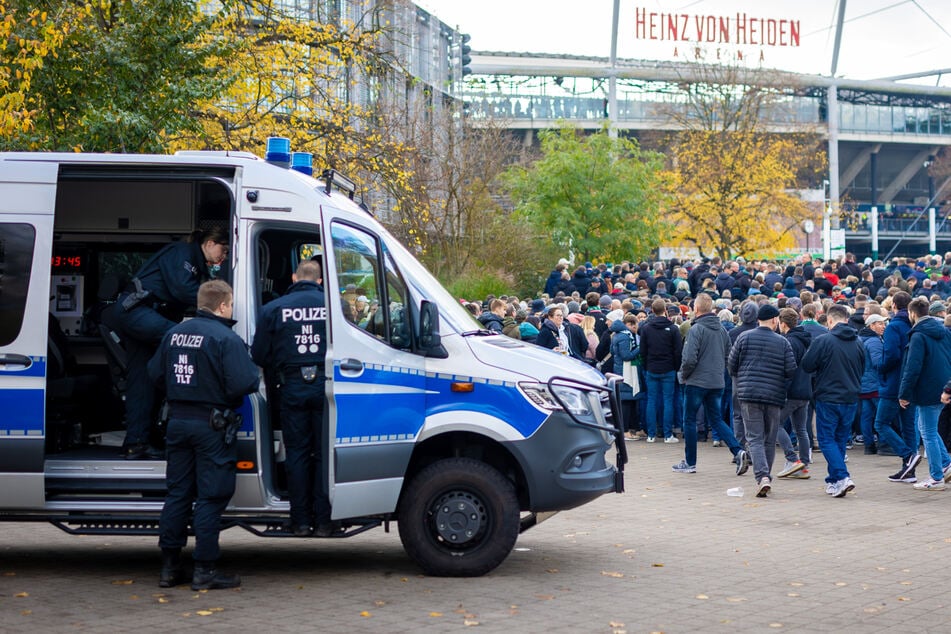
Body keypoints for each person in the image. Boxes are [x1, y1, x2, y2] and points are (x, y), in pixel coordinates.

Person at [148, 280, 259, 590]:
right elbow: (245, 382)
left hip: (178, 422)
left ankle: (169, 569)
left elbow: (155, 374)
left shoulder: (173, 334)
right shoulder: (225, 337)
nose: (232, 309)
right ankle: (205, 571)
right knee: (211, 497)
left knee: (178, 493)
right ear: (222, 306)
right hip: (212, 426)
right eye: (231, 304)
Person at [111, 227, 230, 460]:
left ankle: (137, 443)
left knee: (143, 381)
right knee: (184, 339)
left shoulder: (196, 265)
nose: (222, 257)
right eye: (223, 250)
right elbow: (182, 289)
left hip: (142, 316)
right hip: (137, 311)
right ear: (209, 243)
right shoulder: (182, 252)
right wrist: (219, 302)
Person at [250, 260, 335, 536]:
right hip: (326, 387)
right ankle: (324, 522)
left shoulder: (272, 309)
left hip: (291, 388)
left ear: (294, 277)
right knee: (324, 454)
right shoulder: (334, 309)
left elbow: (259, 355)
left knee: (297, 454)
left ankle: (299, 522)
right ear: (320, 281)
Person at [674, 293, 749, 475]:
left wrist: (683, 375)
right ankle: (737, 450)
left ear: (697, 309)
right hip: (716, 381)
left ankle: (690, 462)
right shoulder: (722, 330)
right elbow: (729, 355)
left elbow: (690, 358)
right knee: (716, 419)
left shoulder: (696, 329)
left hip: (697, 381)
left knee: (690, 420)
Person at [728, 303, 796, 498]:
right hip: (774, 396)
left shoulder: (743, 337)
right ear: (775, 320)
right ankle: (765, 476)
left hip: (748, 394)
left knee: (754, 437)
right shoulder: (782, 342)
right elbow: (791, 370)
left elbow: (731, 365)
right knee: (769, 437)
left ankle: (762, 477)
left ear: (759, 319)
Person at [800, 304, 866, 498]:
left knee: (827, 439)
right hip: (850, 396)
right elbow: (863, 367)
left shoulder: (824, 340)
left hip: (828, 396)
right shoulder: (859, 342)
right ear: (846, 319)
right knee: (838, 439)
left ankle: (843, 476)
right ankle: (834, 479)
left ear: (829, 320)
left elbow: (807, 364)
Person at [898, 297, 951, 490]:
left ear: (912, 314)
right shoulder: (944, 332)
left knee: (927, 431)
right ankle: (945, 463)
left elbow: (912, 368)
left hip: (927, 389)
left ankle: (936, 477)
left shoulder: (918, 335)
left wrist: (904, 393)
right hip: (943, 386)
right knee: (929, 429)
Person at [874, 291, 920, 483]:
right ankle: (909, 470)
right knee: (909, 426)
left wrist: (881, 367)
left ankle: (907, 456)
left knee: (881, 423)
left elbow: (892, 355)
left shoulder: (893, 327)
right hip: (911, 382)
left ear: (893, 306)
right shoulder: (914, 326)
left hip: (894, 383)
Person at [775, 308, 813, 479]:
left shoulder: (789, 341)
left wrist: (781, 390)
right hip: (805, 390)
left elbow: (787, 369)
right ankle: (804, 464)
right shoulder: (805, 339)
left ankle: (793, 459)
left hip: (792, 391)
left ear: (783, 324)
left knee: (775, 424)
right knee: (801, 429)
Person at [639, 299, 683, 443]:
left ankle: (651, 434)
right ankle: (667, 434)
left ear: (652, 310)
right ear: (665, 310)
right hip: (668, 368)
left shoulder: (646, 328)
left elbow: (643, 351)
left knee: (651, 400)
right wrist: (675, 367)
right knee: (668, 400)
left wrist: (646, 365)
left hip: (652, 367)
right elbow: (678, 351)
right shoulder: (673, 328)